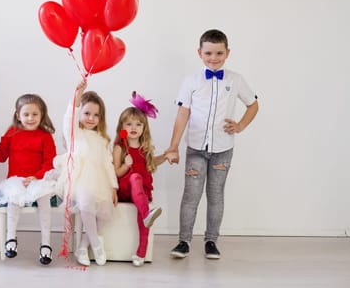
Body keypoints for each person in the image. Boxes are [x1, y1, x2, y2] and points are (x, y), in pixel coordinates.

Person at [166, 29, 258, 260]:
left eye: (219, 53)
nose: (213, 58)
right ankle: (184, 241)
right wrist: (174, 146)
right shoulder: (191, 81)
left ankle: (211, 241)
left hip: (222, 150)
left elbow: (253, 104)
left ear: (227, 53)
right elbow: (182, 114)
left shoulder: (235, 79)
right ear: (199, 53)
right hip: (196, 148)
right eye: (208, 53)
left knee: (216, 196)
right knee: (191, 196)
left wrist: (240, 125)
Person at [0, 94, 57, 265]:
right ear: (18, 115)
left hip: (37, 179)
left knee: (44, 196)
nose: (30, 118)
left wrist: (36, 177)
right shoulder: (12, 133)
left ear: (42, 114)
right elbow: (0, 155)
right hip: (16, 179)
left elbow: (49, 163)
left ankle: (46, 244)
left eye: (35, 114)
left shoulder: (45, 136)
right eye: (26, 114)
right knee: (13, 196)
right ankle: (11, 239)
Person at [54, 79, 118, 266]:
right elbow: (69, 121)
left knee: (105, 211)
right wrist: (76, 97)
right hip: (79, 177)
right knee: (86, 200)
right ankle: (97, 245)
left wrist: (113, 187)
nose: (91, 118)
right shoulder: (75, 134)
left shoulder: (102, 139)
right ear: (79, 113)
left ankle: (83, 246)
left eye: (96, 115)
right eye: (87, 113)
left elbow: (108, 164)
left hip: (99, 180)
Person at [113, 92, 169, 267]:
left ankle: (141, 252)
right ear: (122, 127)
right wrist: (126, 166)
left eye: (138, 124)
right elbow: (115, 172)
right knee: (135, 176)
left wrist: (165, 156)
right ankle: (147, 214)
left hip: (141, 191)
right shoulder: (119, 147)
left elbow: (151, 163)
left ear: (144, 128)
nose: (133, 127)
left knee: (142, 207)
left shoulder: (145, 148)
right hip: (125, 187)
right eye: (128, 124)